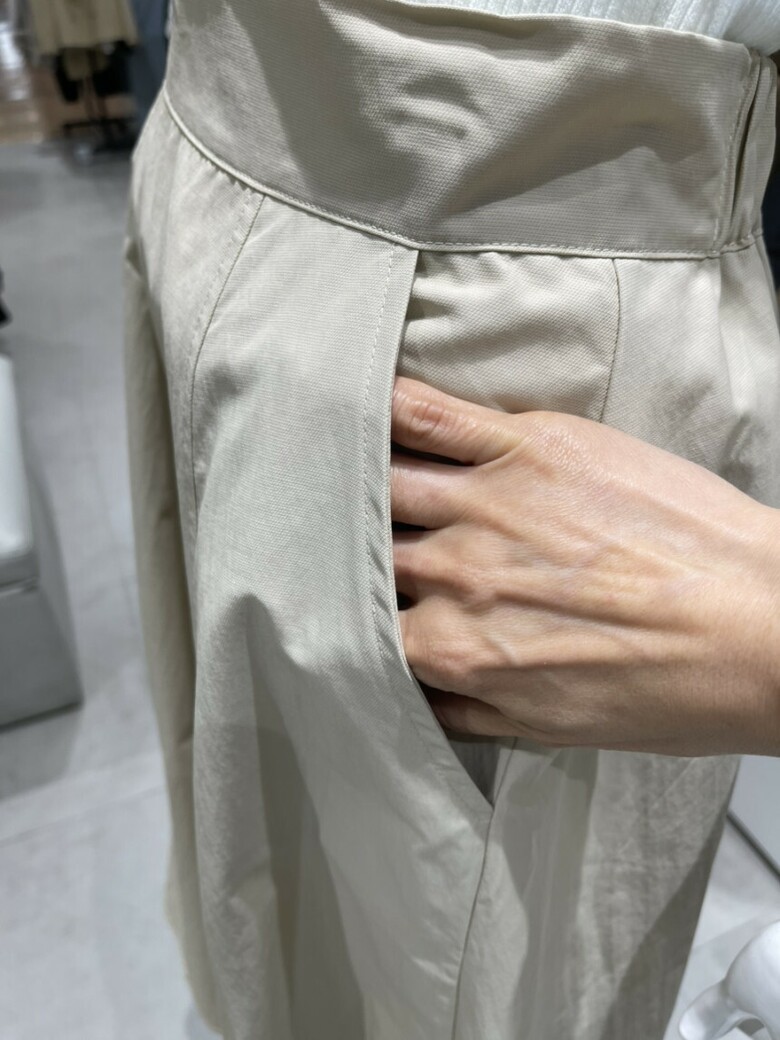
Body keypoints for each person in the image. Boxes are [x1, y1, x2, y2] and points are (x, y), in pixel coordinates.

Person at [122, 1, 780, 1037]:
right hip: (212, 146)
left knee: (457, 969)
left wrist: (765, 629)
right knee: (248, 857)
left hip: (527, 304)